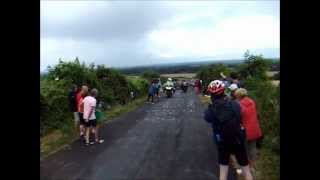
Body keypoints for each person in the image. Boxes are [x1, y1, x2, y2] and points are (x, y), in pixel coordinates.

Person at [204, 80, 253, 180]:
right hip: (238, 139)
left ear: (211, 94)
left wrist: (211, 106)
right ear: (224, 91)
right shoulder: (235, 104)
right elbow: (241, 115)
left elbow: (207, 118)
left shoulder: (211, 110)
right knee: (246, 171)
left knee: (223, 172)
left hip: (222, 142)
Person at [235, 88, 263, 170]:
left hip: (245, 130)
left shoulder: (239, 105)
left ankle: (245, 167)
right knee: (253, 148)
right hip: (255, 128)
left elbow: (238, 118)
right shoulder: (252, 102)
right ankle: (253, 166)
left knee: (244, 149)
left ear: (238, 96)